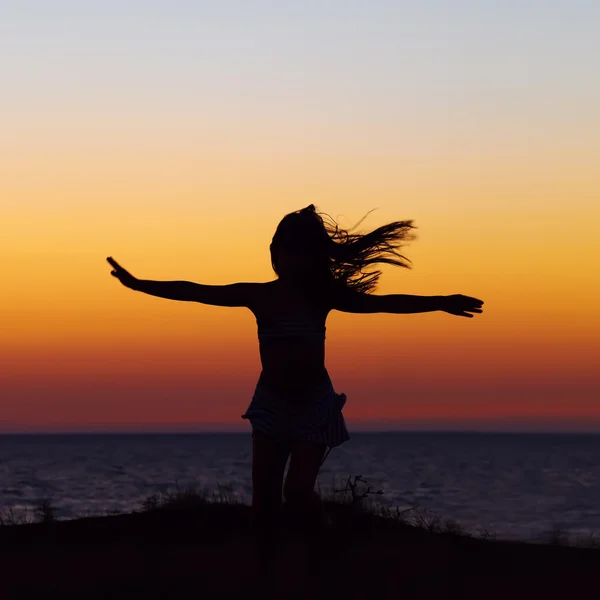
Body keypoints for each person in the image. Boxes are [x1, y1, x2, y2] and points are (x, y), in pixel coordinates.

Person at [106, 204, 484, 588]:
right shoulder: (258, 296)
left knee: (298, 493)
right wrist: (139, 284)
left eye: (289, 250)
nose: (280, 257)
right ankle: (265, 575)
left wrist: (440, 301)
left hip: (313, 404)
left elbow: (385, 303)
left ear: (306, 256)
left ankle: (319, 551)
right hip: (271, 404)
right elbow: (198, 292)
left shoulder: (323, 297)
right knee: (263, 502)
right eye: (276, 250)